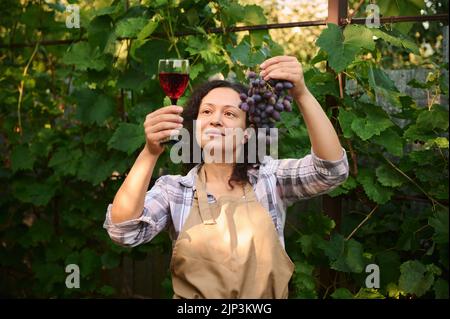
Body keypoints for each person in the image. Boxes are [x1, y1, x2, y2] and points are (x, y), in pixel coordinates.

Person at [103, 56, 349, 299]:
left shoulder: (268, 178)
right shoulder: (175, 190)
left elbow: (330, 171)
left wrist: (302, 94)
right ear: (196, 127)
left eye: (230, 114)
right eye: (207, 111)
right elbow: (124, 232)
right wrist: (150, 152)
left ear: (246, 134)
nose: (216, 119)